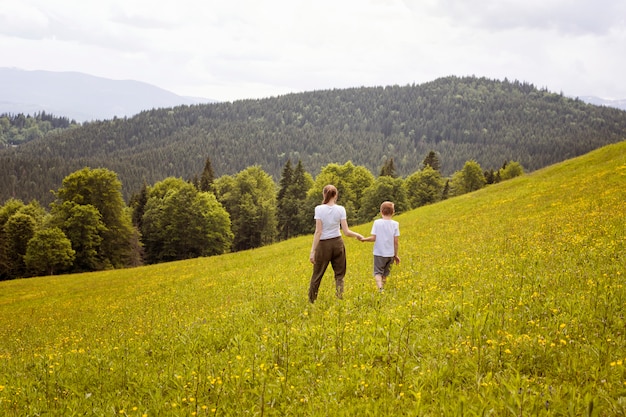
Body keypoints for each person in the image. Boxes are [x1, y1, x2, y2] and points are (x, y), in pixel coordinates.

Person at [309, 185, 363, 303]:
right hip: (338, 243)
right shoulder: (341, 209)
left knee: (317, 275)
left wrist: (313, 251)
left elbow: (318, 232)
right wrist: (357, 235)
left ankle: (311, 301)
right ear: (336, 195)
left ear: (324, 194)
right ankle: (339, 299)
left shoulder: (318, 209)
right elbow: (346, 231)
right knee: (339, 275)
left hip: (323, 245)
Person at [360, 201, 400, 292]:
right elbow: (396, 242)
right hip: (390, 254)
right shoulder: (395, 224)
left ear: (381, 211)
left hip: (379, 253)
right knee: (385, 273)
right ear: (393, 212)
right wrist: (395, 255)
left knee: (378, 272)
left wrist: (364, 239)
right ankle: (383, 288)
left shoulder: (377, 223)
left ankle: (380, 288)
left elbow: (374, 238)